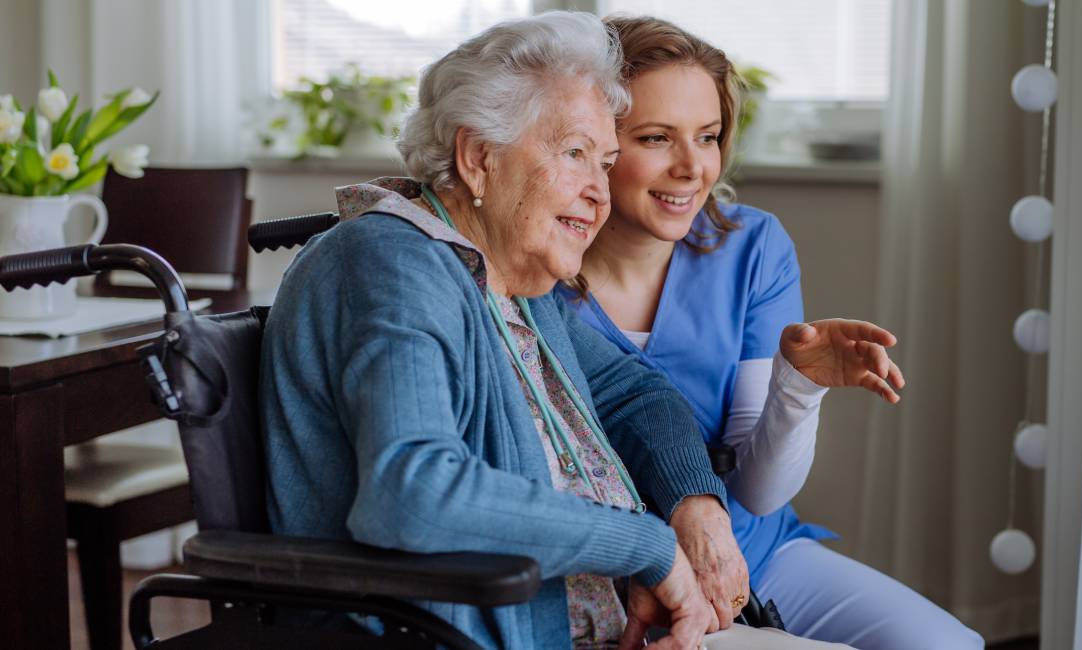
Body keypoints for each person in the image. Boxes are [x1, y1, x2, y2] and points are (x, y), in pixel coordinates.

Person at [261, 13, 724, 649]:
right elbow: (412, 494)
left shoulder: (510, 283)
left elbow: (636, 392)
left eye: (607, 161)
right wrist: (646, 549)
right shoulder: (392, 263)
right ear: (479, 159)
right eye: (574, 154)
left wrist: (692, 502)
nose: (599, 193)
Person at [556, 16, 985, 649]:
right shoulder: (536, 269)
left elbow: (757, 494)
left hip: (753, 550)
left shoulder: (752, 248)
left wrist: (798, 386)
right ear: (592, 143)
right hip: (611, 580)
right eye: (655, 137)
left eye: (708, 136)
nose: (691, 167)